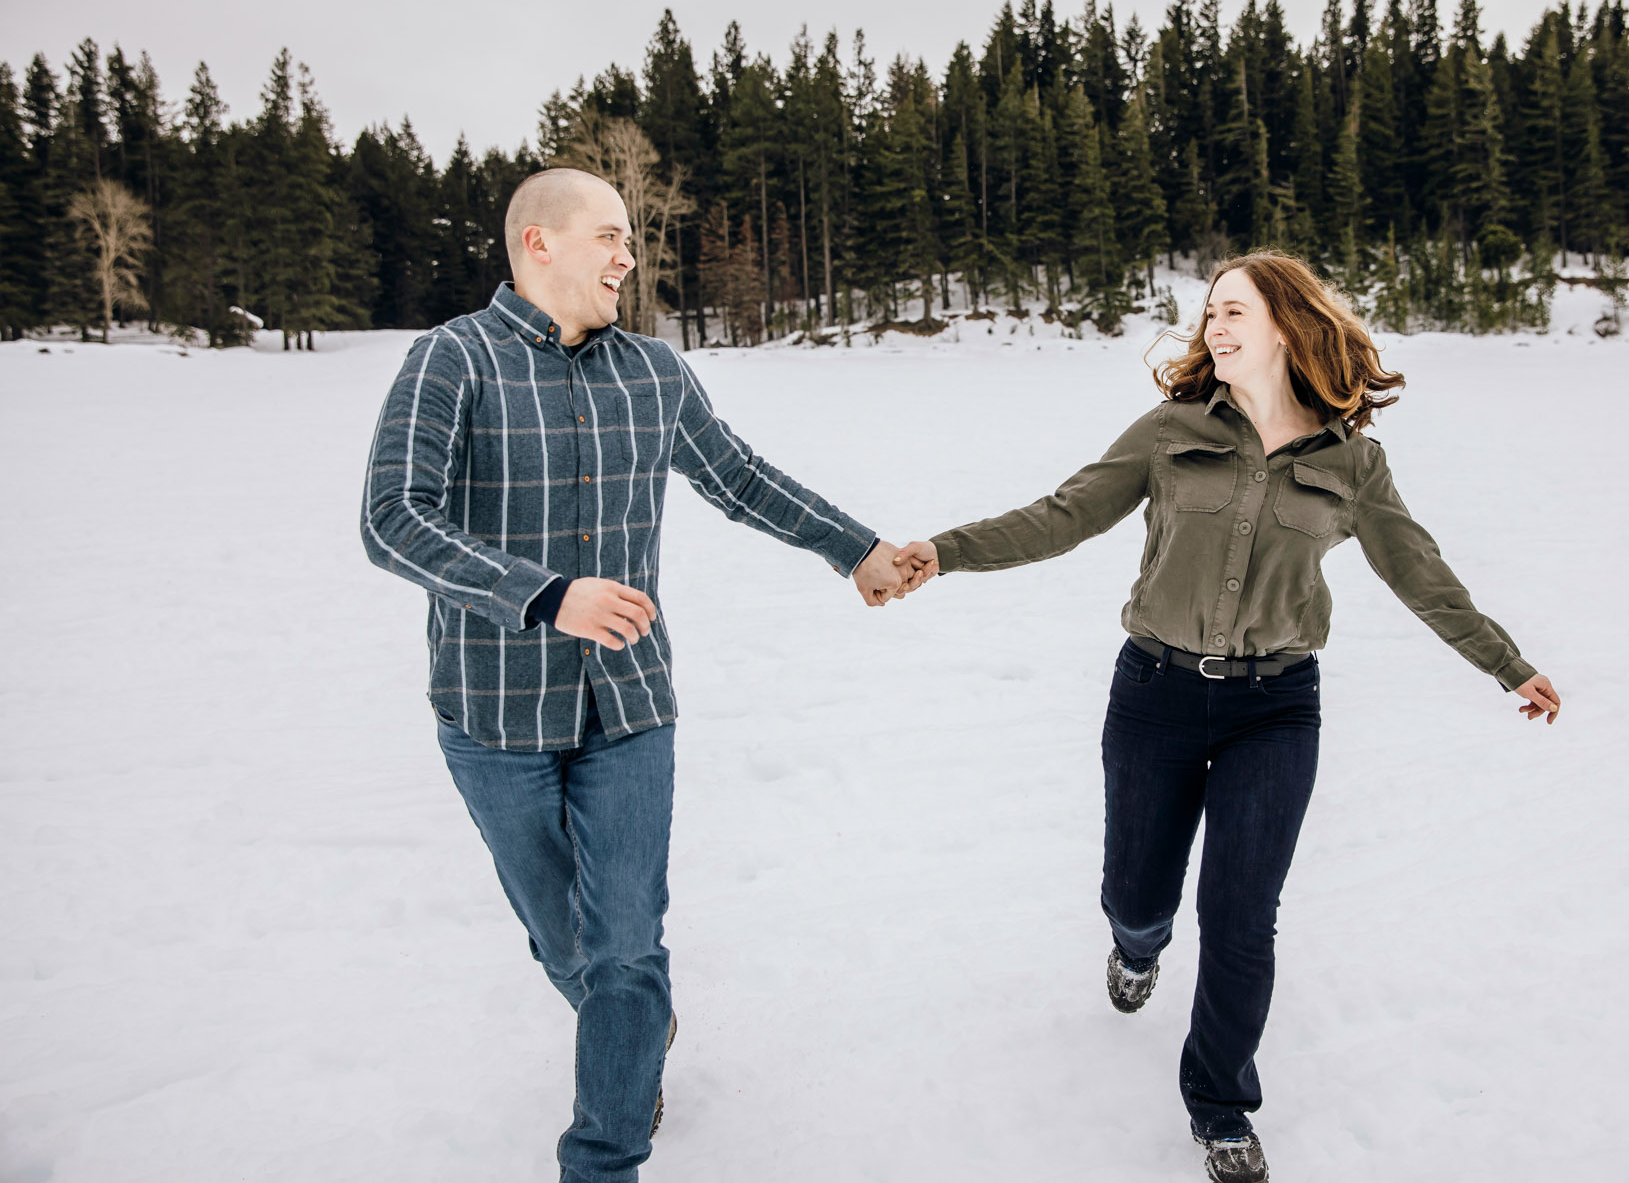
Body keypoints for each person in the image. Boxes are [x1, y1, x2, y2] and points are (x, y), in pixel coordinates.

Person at [892, 250, 1561, 1183]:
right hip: (1156, 694)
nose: (1214, 323)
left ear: (1286, 324)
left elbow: (1419, 571)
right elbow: (1065, 513)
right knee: (1138, 891)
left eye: (1235, 309)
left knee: (1242, 913)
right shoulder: (1171, 428)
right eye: (1209, 311)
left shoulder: (1353, 462)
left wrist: (1507, 663)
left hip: (1275, 708)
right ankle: (1136, 948)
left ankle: (1220, 1105)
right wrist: (945, 550)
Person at [359, 167, 919, 1183]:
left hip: (629, 707)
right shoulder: (452, 361)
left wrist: (856, 548)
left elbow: (738, 476)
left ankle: (603, 1154)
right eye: (610, 236)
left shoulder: (651, 372)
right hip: (492, 712)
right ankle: (630, 1031)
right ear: (538, 244)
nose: (629, 257)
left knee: (624, 946)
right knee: (564, 945)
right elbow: (392, 519)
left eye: (629, 239)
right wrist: (544, 592)